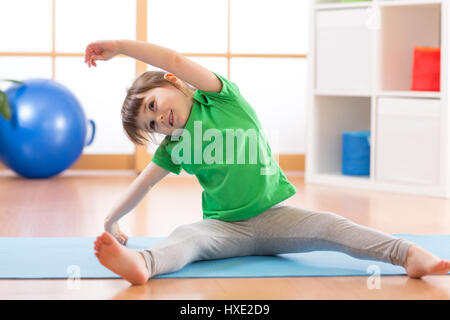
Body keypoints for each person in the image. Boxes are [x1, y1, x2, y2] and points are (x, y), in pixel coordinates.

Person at [85, 40, 450, 285]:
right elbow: (144, 184)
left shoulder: (221, 99)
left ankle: (408, 254)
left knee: (331, 226)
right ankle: (143, 265)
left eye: (153, 105)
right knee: (186, 237)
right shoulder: (174, 146)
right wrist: (110, 219)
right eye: (151, 125)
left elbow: (175, 60)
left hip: (276, 218)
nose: (159, 119)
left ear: (171, 82)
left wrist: (118, 47)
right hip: (223, 230)